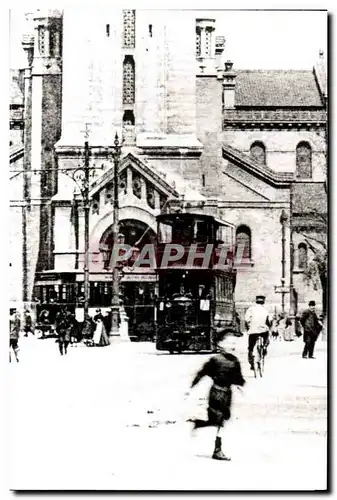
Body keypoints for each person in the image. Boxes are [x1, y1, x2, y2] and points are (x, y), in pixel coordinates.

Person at [186, 328, 245, 460]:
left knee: (219, 420)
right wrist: (191, 388)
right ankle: (217, 450)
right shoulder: (215, 360)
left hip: (227, 394)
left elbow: (238, 378)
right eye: (229, 343)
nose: (232, 346)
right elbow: (202, 373)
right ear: (220, 344)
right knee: (220, 420)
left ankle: (199, 424)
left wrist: (240, 385)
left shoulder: (235, 361)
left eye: (234, 344)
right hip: (216, 393)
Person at [244, 295, 272, 370]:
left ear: (256, 301)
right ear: (263, 301)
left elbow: (246, 320)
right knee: (266, 340)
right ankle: (264, 348)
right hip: (263, 330)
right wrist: (269, 327)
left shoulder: (251, 309)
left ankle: (252, 364)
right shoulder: (266, 309)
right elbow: (270, 320)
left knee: (250, 347)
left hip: (253, 331)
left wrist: (249, 328)